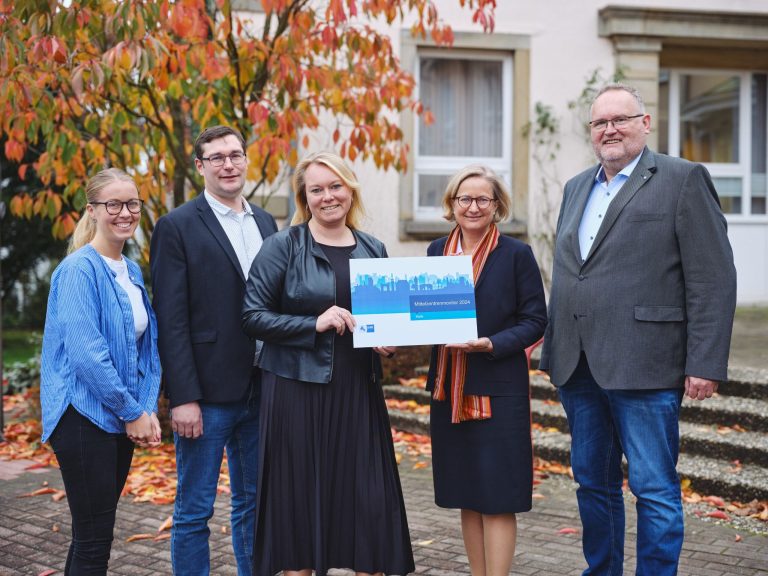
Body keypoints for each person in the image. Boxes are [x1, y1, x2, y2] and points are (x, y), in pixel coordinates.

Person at [539, 83, 737, 575]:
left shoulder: (682, 179)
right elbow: (573, 272)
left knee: (654, 489)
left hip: (647, 363)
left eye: (620, 119)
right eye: (599, 122)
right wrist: (551, 340)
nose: (609, 130)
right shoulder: (576, 186)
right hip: (580, 366)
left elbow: (713, 277)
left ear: (645, 124)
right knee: (592, 484)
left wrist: (704, 361)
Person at [242, 151, 415, 576]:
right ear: (305, 197)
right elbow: (251, 316)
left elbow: (386, 320)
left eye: (335, 186)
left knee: (368, 503)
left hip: (358, 391)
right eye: (316, 189)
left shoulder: (373, 248)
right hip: (296, 391)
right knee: (299, 505)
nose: (328, 197)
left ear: (350, 189)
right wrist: (312, 324)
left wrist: (388, 342)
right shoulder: (282, 246)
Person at [150, 126, 278, 576]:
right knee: (194, 510)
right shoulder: (176, 226)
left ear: (246, 160)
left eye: (235, 155)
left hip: (263, 387)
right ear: (200, 166)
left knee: (255, 505)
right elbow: (171, 319)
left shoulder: (266, 223)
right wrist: (182, 396)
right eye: (217, 157)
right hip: (206, 396)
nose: (228, 164)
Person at [424, 165, 547, 576]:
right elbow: (421, 315)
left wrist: (491, 343)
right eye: (465, 198)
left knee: (497, 497)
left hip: (496, 390)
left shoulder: (516, 255)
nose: (473, 207)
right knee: (467, 493)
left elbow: (535, 321)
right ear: (452, 203)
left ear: (497, 206)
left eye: (483, 199)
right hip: (449, 390)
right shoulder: (436, 252)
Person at [40, 168, 162, 574]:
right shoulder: (78, 270)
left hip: (119, 415)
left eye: (132, 203)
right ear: (92, 210)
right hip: (82, 416)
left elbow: (146, 349)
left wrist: (145, 408)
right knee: (94, 541)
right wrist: (132, 411)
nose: (125, 213)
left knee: (92, 537)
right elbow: (86, 355)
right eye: (113, 204)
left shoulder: (131, 270)